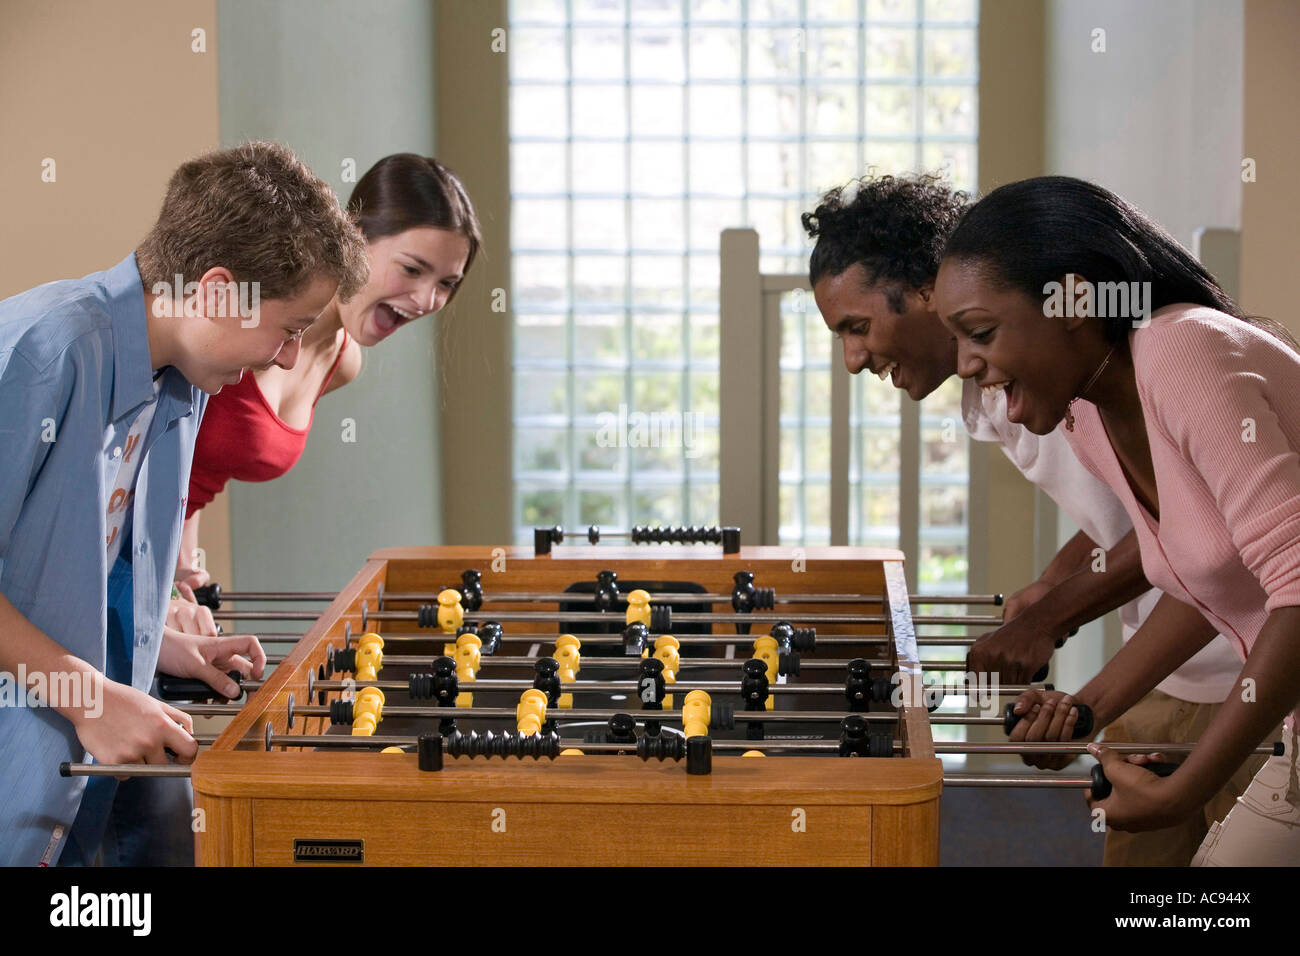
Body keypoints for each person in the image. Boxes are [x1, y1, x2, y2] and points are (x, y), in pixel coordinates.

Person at [804, 171, 1259, 865]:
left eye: (857, 327)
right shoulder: (1019, 395)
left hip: (1252, 667)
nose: (852, 359)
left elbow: (1205, 534)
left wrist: (1052, 617)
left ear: (931, 291)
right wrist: (1057, 590)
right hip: (1167, 661)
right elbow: (1150, 515)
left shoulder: (1141, 359)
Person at [0, 140, 369, 866]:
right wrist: (88, 698)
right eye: (289, 329)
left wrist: (159, 642)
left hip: (69, 779)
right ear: (215, 291)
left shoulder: (189, 380)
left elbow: (72, 569)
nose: (290, 358)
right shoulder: (43, 351)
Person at [933, 175, 1300, 864]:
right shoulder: (1089, 416)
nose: (965, 364)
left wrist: (1186, 789)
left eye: (979, 332)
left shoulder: (1181, 347)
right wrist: (1086, 710)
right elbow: (1207, 586)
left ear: (1074, 301)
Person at [175, 153, 481, 592]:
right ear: (353, 237)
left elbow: (196, 465)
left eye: (447, 283)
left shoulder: (343, 363)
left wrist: (183, 567)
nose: (426, 299)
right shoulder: (245, 315)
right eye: (412, 269)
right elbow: (139, 452)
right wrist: (155, 585)